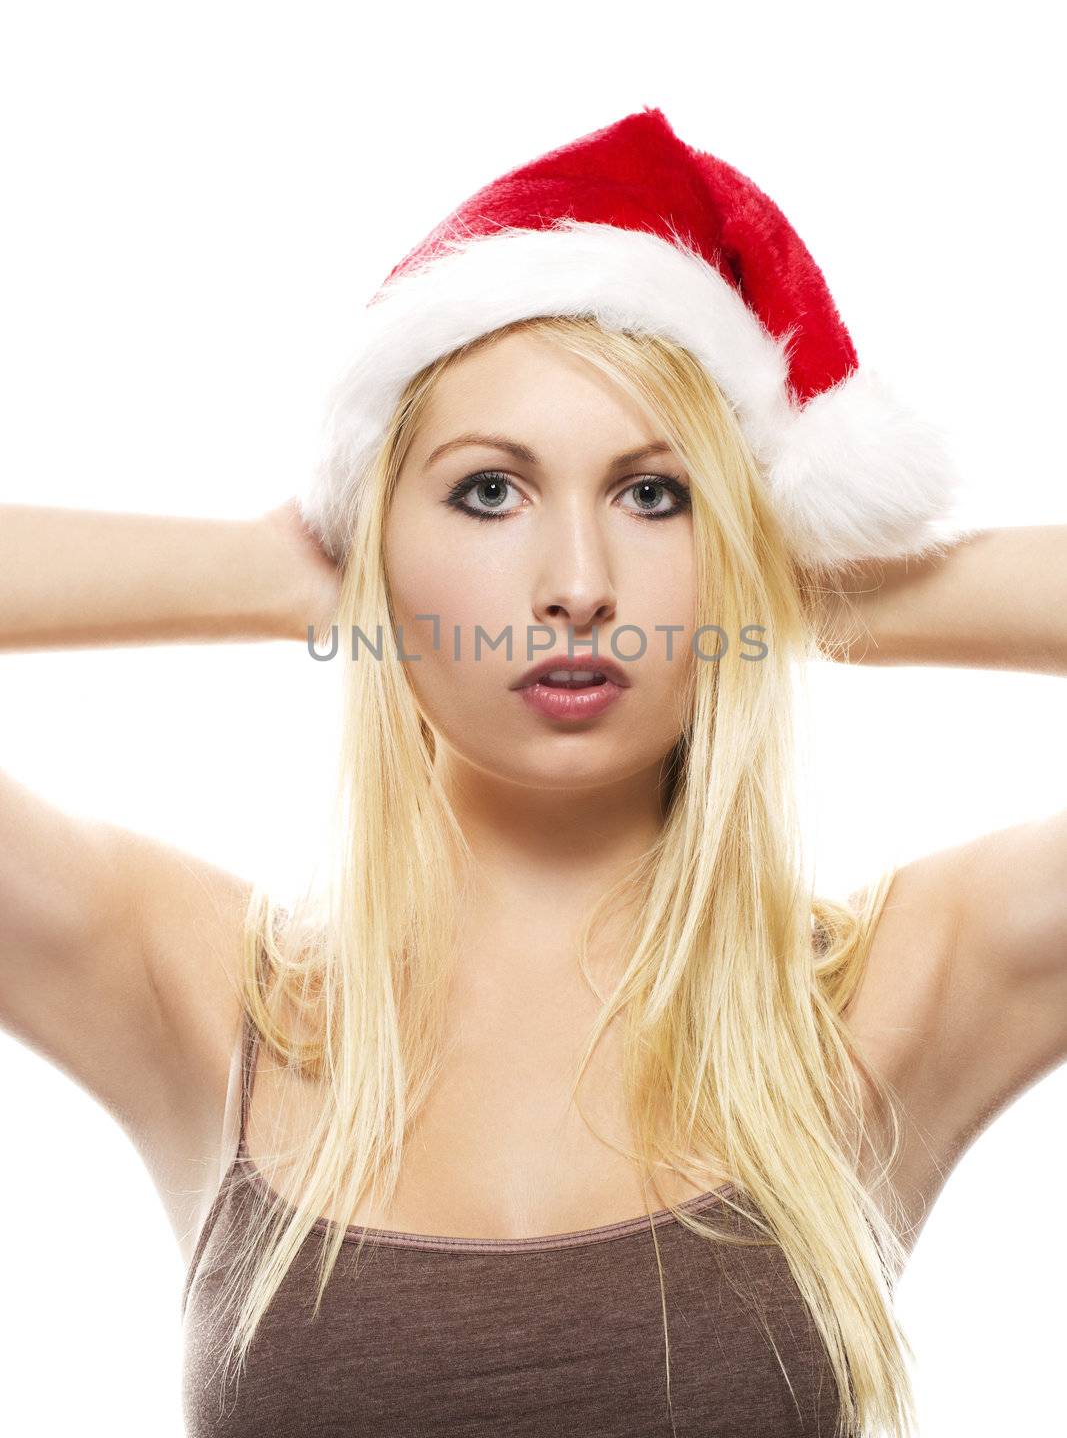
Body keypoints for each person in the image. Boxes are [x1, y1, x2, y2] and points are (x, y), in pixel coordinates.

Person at [3, 107, 1066, 1438]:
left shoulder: (899, 986)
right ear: (381, 532)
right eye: (489, 494)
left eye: (657, 495)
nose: (576, 587)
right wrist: (278, 574)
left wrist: (824, 592)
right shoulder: (205, 992)